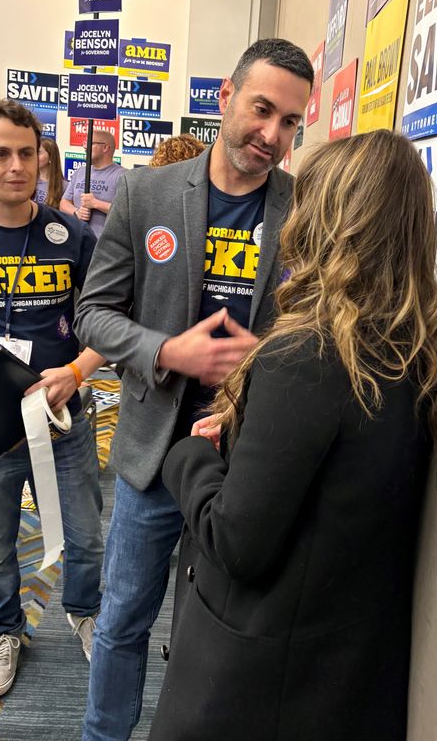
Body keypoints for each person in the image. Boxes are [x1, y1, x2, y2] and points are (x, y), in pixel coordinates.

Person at [149, 130, 437, 741]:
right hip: (340, 671)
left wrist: (193, 456)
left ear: (333, 220)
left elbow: (238, 542)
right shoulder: (417, 345)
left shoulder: (309, 354)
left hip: (257, 684)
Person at [74, 37, 314, 740]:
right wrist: (165, 350)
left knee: (214, 632)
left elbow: (315, 322)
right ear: (226, 99)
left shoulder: (304, 208)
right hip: (154, 454)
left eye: (290, 122)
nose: (272, 134)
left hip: (246, 462)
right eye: (262, 110)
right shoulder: (146, 195)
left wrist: (265, 356)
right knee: (122, 621)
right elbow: (93, 313)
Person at [0, 99, 107, 698]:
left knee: (87, 535)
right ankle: (2, 629)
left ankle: (85, 610)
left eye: (27, 152)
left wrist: (79, 370)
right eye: (0, 153)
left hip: (63, 417)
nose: (18, 166)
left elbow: (107, 321)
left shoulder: (74, 236)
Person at [60, 130, 126, 238]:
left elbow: (125, 211)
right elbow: (64, 202)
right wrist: (76, 213)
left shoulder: (123, 176)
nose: (85, 147)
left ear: (105, 147)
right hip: (78, 241)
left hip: (104, 245)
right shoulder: (80, 172)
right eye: (85, 143)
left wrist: (95, 203)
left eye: (90, 143)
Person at [35, 137, 67, 208]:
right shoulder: (29, 181)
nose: (34, 156)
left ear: (50, 157)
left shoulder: (64, 186)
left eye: (38, 153)